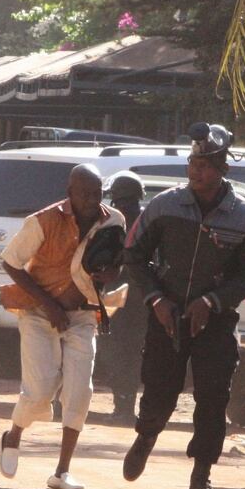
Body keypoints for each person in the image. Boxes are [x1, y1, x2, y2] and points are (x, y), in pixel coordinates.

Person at [120, 123, 245, 489]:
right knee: (159, 391)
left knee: (213, 397)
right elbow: (134, 254)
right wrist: (156, 299)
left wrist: (214, 302)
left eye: (205, 164)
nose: (197, 170)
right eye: (193, 162)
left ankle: (201, 477)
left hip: (215, 323)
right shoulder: (164, 205)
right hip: (165, 315)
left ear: (223, 168)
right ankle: (146, 436)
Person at [0, 164, 125, 489]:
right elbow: (10, 262)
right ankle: (13, 436)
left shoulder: (113, 221)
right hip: (40, 314)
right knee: (40, 391)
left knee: (80, 391)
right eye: (85, 194)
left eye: (97, 194)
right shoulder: (43, 221)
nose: (92, 200)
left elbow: (114, 261)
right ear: (70, 194)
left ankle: (62, 471)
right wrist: (50, 305)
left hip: (83, 316)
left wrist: (110, 274)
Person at [94, 172, 148, 423]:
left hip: (116, 300)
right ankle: (126, 407)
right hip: (144, 301)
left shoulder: (112, 221)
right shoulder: (149, 220)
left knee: (116, 352)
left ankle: (123, 407)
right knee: (133, 353)